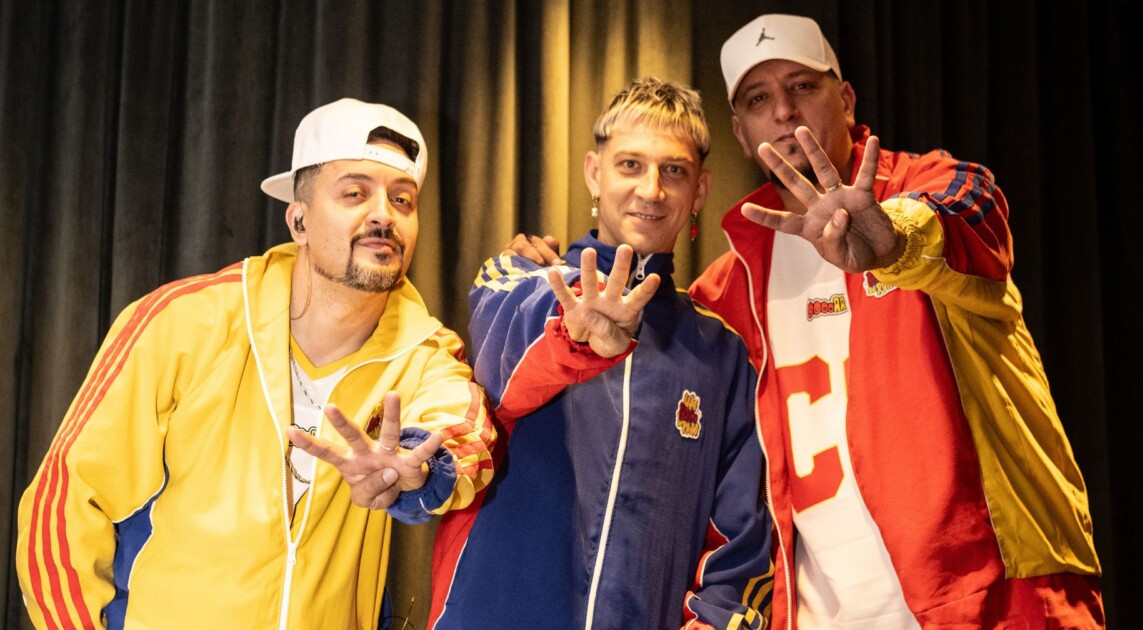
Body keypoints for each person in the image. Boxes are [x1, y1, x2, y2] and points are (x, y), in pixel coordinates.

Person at [687, 13, 1104, 629]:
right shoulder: (726, 287)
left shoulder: (931, 185)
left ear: (846, 97)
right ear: (741, 134)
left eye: (802, 86)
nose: (783, 111)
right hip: (818, 615)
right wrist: (540, 273)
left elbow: (972, 218)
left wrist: (892, 241)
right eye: (758, 99)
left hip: (988, 598)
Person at [14, 97, 496, 629]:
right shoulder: (184, 322)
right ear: (299, 220)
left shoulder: (425, 353)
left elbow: (463, 434)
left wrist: (417, 467)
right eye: (355, 193)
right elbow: (63, 500)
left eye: (403, 199)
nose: (383, 213)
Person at [428, 77, 773, 629]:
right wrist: (575, 334)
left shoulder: (722, 354)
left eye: (674, 170)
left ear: (700, 192)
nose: (652, 190)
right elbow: (507, 363)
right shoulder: (518, 281)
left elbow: (740, 539)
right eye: (630, 165)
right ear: (594, 172)